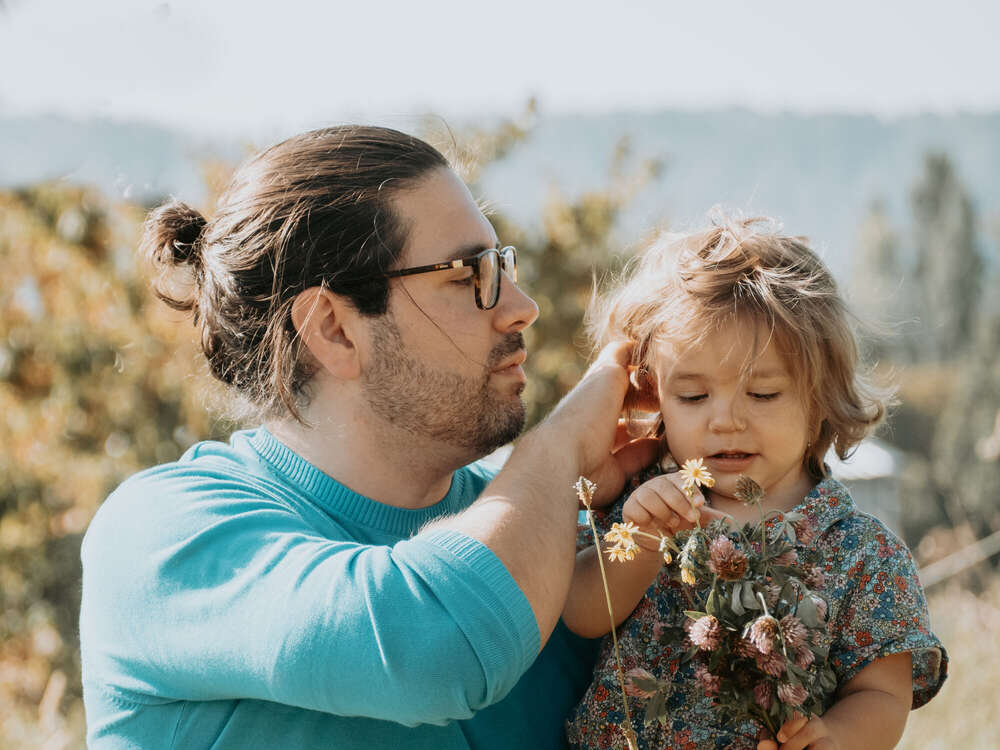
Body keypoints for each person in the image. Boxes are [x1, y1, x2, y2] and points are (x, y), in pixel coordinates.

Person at [79, 126, 658, 749]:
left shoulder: (564, 536)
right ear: (333, 329)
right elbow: (435, 647)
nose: (521, 306)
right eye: (471, 275)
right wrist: (558, 446)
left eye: (503, 265)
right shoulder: (164, 534)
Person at [562, 213, 948, 750]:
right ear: (655, 396)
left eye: (762, 394)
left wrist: (836, 736)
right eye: (693, 396)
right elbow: (582, 613)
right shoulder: (642, 505)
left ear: (819, 399)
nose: (725, 420)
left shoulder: (860, 553)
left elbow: (884, 692)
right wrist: (643, 541)